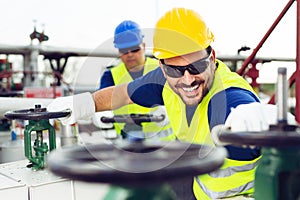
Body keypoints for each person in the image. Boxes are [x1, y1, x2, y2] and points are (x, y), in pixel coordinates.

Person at [47, 7, 294, 199]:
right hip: (197, 184)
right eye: (175, 70)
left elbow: (238, 113)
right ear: (162, 68)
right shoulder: (162, 79)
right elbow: (123, 94)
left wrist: (256, 119)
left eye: (195, 66)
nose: (187, 79)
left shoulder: (229, 97)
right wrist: (84, 104)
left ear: (212, 57)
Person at [97, 20, 172, 141]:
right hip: (127, 141)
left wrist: (170, 111)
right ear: (118, 51)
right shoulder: (110, 75)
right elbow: (102, 101)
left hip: (165, 142)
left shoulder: (162, 68)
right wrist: (101, 114)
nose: (130, 54)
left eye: (134, 49)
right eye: (124, 51)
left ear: (143, 46)